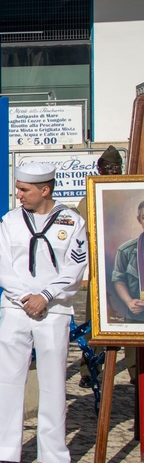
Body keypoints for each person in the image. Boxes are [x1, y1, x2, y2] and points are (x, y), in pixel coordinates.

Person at [0, 162, 87, 463]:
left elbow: (75, 270)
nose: (18, 195)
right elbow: (2, 267)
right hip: (17, 308)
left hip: (54, 309)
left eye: (24, 190)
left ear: (45, 190)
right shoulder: (9, 222)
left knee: (54, 381)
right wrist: (26, 297)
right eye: (18, 188)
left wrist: (44, 295)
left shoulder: (73, 222)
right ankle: (4, 453)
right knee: (8, 378)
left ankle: (55, 454)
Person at [75, 146, 127, 387]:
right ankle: (89, 369)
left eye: (116, 168)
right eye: (107, 168)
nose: (112, 172)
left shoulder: (130, 194)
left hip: (129, 270)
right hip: (100, 269)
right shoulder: (89, 199)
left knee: (132, 320)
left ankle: (137, 370)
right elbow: (82, 235)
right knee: (94, 322)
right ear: (99, 170)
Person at [109, 199, 144, 385]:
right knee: (137, 373)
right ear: (139, 220)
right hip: (136, 313)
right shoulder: (127, 249)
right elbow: (118, 279)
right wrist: (129, 301)